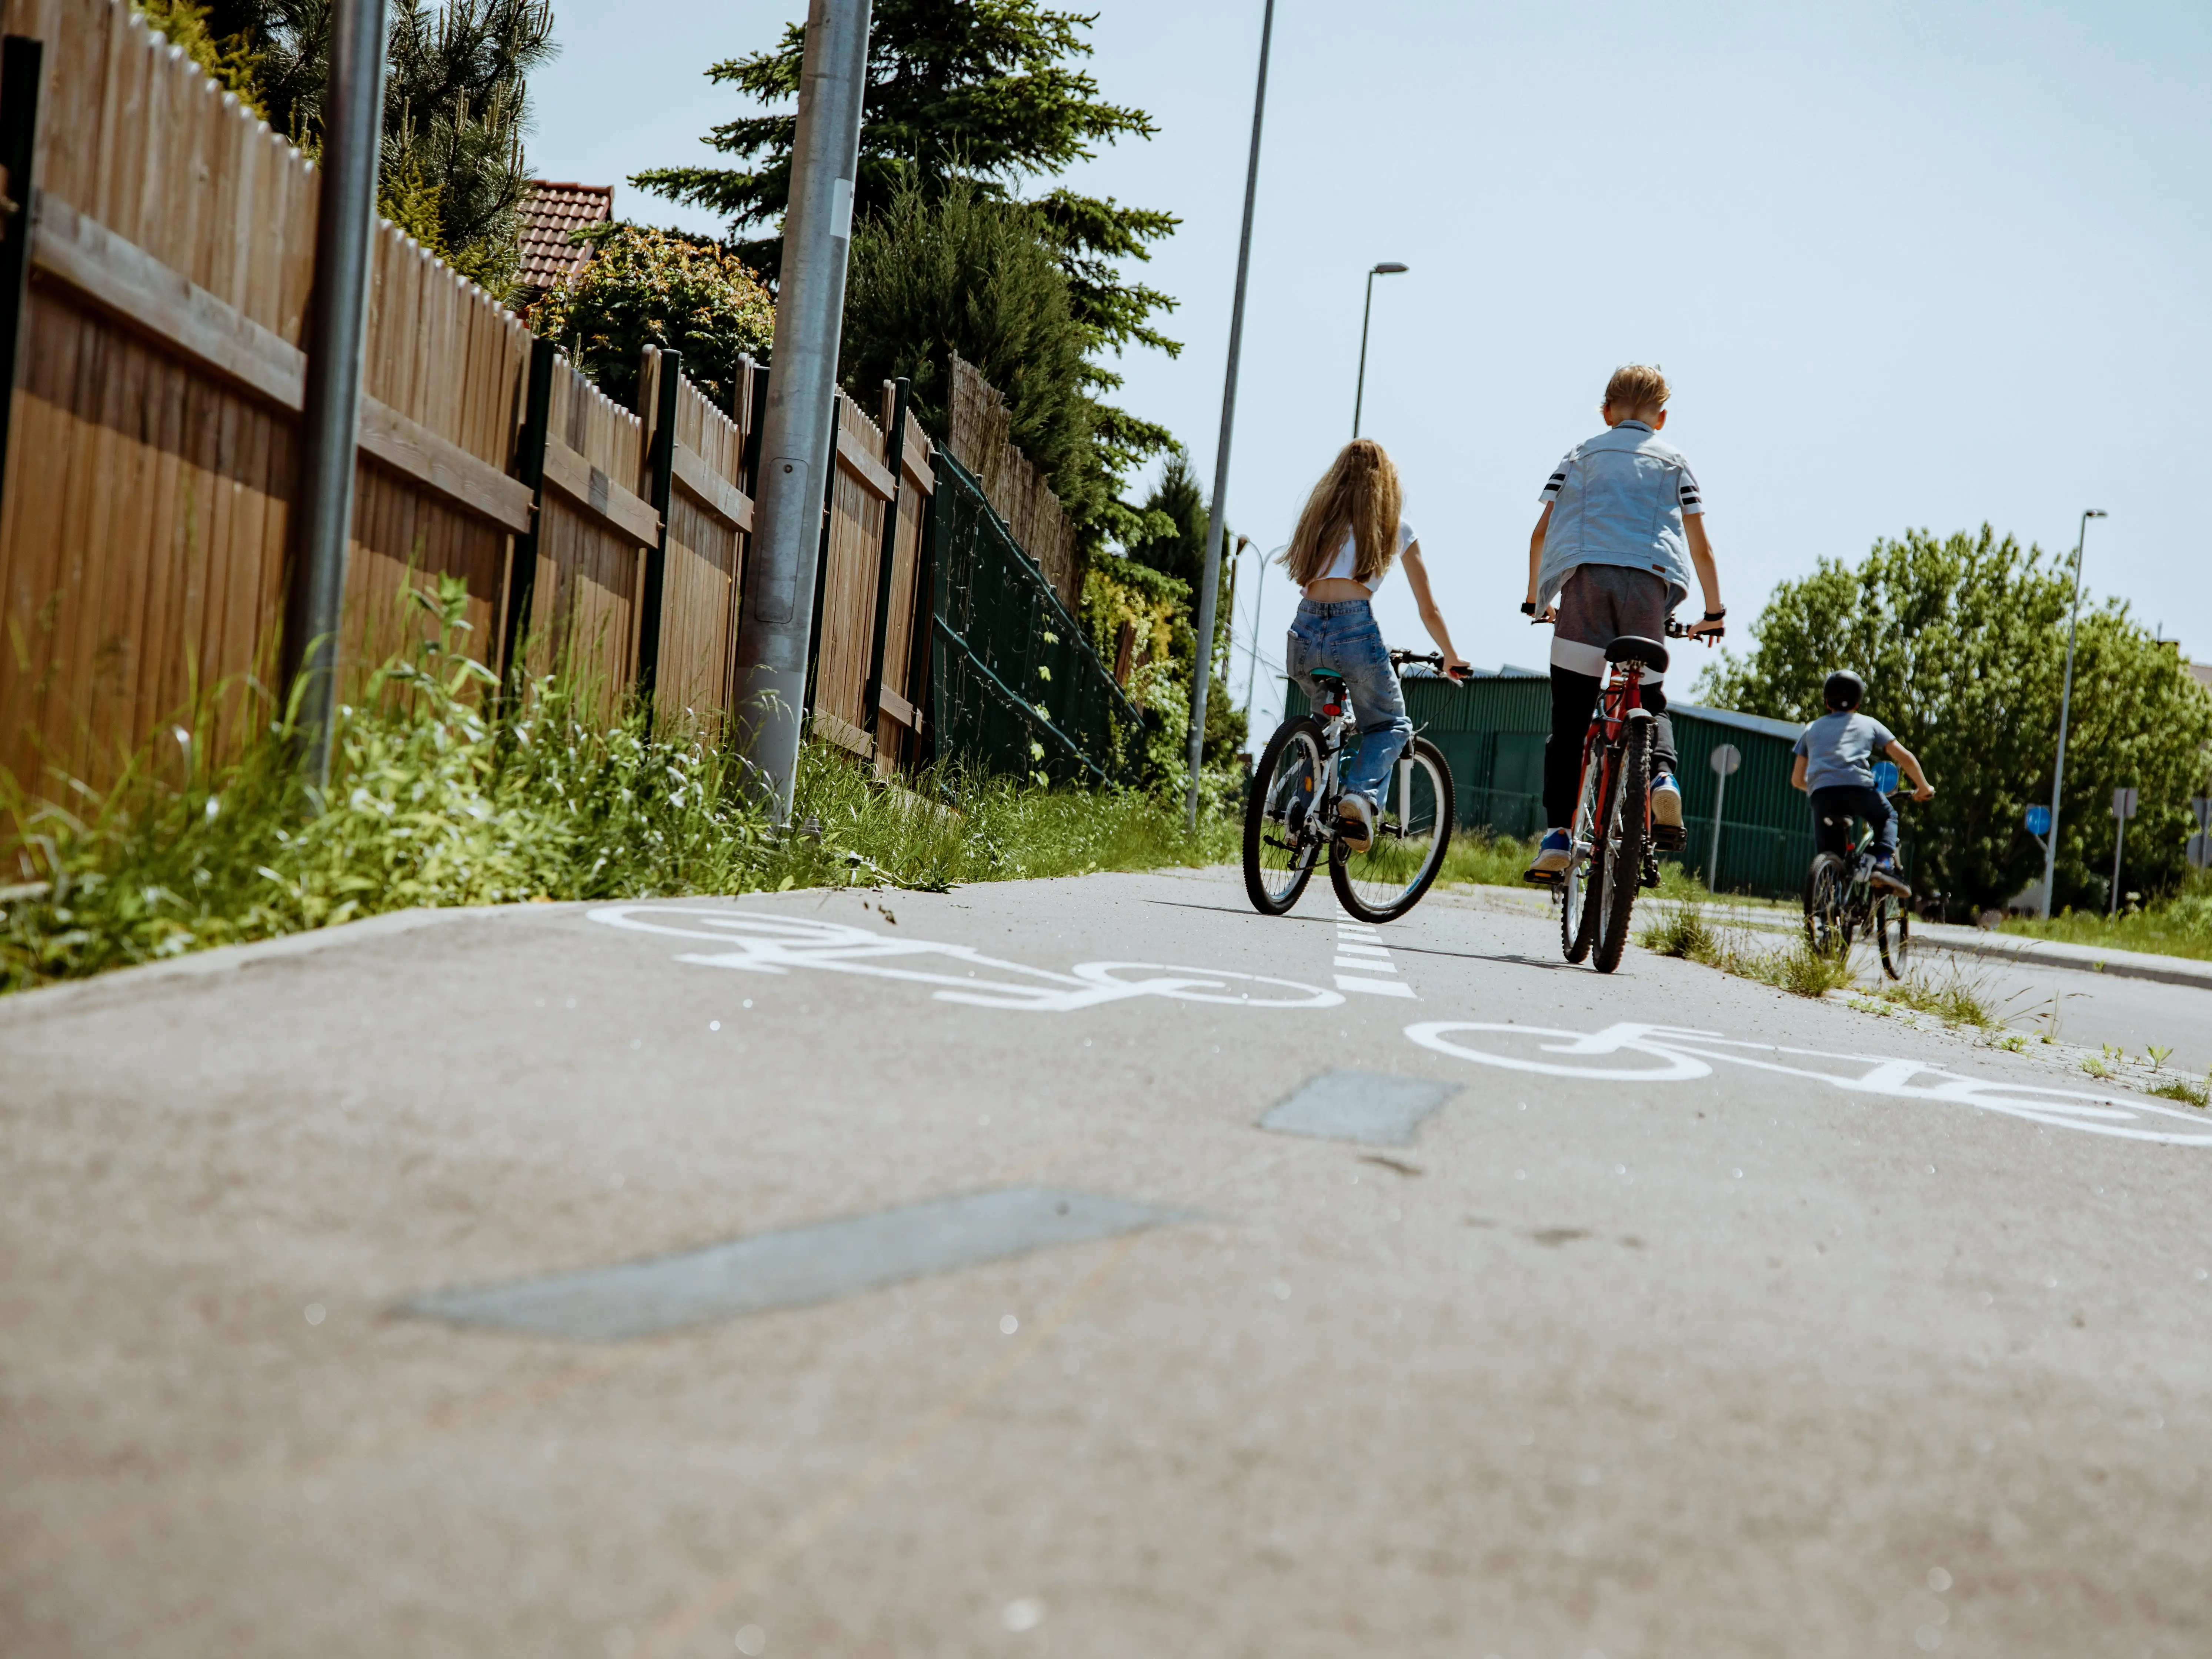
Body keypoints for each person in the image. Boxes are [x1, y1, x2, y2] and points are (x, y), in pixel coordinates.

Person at [1522, 364, 1726, 881]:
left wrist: (1536, 599)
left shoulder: (1579, 454)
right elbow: (1700, 545)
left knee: (1569, 722)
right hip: (1649, 588)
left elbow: (1540, 533)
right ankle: (1661, 779)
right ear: (1661, 418)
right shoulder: (1675, 462)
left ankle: (1558, 835)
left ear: (1606, 412)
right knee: (1650, 703)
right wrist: (1713, 613)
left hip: (1586, 584)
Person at [1281, 439, 1470, 851]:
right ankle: (1359, 796)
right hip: (1355, 633)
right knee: (1390, 725)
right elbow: (1429, 608)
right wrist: (1451, 656)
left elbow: (1306, 584)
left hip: (1304, 632)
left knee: (1325, 726)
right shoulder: (1396, 528)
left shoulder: (1319, 523)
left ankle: (1302, 809)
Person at [1792, 669, 1935, 893]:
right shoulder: (1869, 724)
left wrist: (1821, 787)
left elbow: (1797, 779)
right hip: (1858, 788)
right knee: (1888, 816)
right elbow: (1905, 758)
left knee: (1831, 858)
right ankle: (1881, 863)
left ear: (1827, 702)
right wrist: (1923, 787)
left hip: (1822, 795)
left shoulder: (1812, 728)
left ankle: (1826, 913)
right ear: (1858, 703)